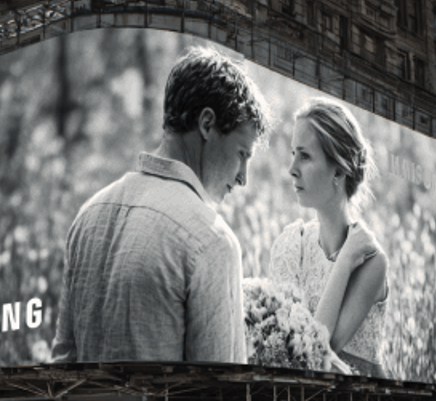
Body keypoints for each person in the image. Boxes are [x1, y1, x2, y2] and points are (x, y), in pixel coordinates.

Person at [52, 47, 271, 365]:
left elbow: (62, 368)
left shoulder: (88, 216)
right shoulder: (210, 241)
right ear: (207, 124)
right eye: (242, 154)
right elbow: (222, 399)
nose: (243, 178)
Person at [270, 98, 388, 377]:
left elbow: (315, 354)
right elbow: (285, 353)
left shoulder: (372, 261)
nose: (292, 168)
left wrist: (346, 260)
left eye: (305, 156)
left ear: (338, 171)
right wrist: (345, 259)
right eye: (292, 153)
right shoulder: (291, 244)